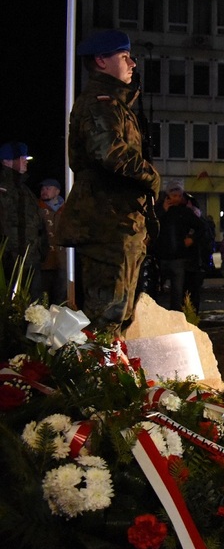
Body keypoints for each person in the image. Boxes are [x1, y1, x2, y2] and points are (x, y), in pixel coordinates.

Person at [54, 29, 160, 334]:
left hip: (119, 222)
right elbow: (108, 152)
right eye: (124, 56)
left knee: (120, 314)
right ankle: (98, 378)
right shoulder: (101, 103)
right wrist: (151, 176)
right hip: (106, 223)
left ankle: (113, 374)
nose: (132, 63)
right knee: (105, 317)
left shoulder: (116, 104)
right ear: (101, 60)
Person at [1, 141, 47, 300]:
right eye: (21, 157)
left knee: (34, 309)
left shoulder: (25, 190)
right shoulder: (4, 187)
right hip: (11, 262)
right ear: (7, 161)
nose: (26, 161)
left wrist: (42, 249)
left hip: (30, 259)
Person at [153, 181, 202, 312]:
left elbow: (201, 227)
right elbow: (151, 225)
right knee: (155, 292)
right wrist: (162, 210)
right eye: (173, 195)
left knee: (177, 294)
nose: (176, 198)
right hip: (160, 258)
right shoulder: (159, 210)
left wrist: (191, 238)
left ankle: (175, 318)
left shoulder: (184, 212)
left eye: (178, 195)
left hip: (178, 258)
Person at [37, 178, 67, 304]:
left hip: (63, 261)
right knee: (42, 298)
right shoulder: (36, 207)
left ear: (57, 191)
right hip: (44, 261)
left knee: (61, 297)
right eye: (43, 188)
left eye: (48, 188)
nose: (44, 191)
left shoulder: (66, 209)